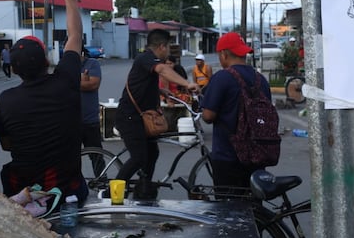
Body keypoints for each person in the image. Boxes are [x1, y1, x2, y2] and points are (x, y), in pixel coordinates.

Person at [0, 0, 88, 204]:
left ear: (14, 70)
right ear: (47, 61)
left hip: (23, 197)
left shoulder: (6, 100)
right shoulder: (66, 81)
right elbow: (74, 35)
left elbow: (7, 144)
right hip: (68, 194)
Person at [115, 30, 198, 195]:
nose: (168, 52)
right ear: (162, 46)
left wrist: (161, 91)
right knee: (138, 158)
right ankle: (113, 195)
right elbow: (162, 70)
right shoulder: (146, 58)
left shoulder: (148, 60)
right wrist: (187, 84)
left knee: (152, 152)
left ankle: (144, 189)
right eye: (168, 47)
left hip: (142, 117)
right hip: (129, 117)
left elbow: (141, 83)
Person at [200, 32, 272, 188]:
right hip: (257, 155)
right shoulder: (261, 80)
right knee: (253, 207)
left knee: (228, 208)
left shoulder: (222, 77)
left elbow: (208, 116)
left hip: (227, 156)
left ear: (224, 54)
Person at [80, 47, 104, 176]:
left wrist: (70, 81)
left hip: (90, 119)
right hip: (70, 120)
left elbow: (93, 84)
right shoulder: (64, 65)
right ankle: (75, 184)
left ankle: (101, 180)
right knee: (70, 157)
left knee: (96, 155)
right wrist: (82, 79)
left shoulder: (92, 63)